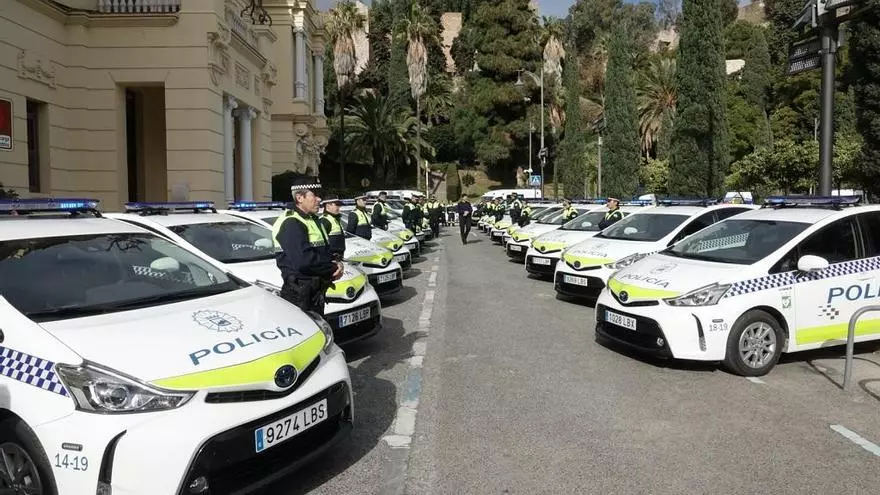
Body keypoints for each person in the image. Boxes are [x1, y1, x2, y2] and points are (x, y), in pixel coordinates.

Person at [274, 179, 344, 317]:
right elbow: (304, 261)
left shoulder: (312, 219)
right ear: (300, 198)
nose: (319, 199)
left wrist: (337, 262)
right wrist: (333, 268)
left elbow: (323, 252)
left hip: (313, 292)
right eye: (314, 195)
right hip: (299, 294)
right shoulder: (291, 222)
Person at [319, 195, 346, 259]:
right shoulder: (324, 220)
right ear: (328, 206)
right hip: (331, 258)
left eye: (339, 205)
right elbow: (321, 243)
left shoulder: (334, 219)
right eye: (336, 205)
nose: (339, 207)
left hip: (338, 256)